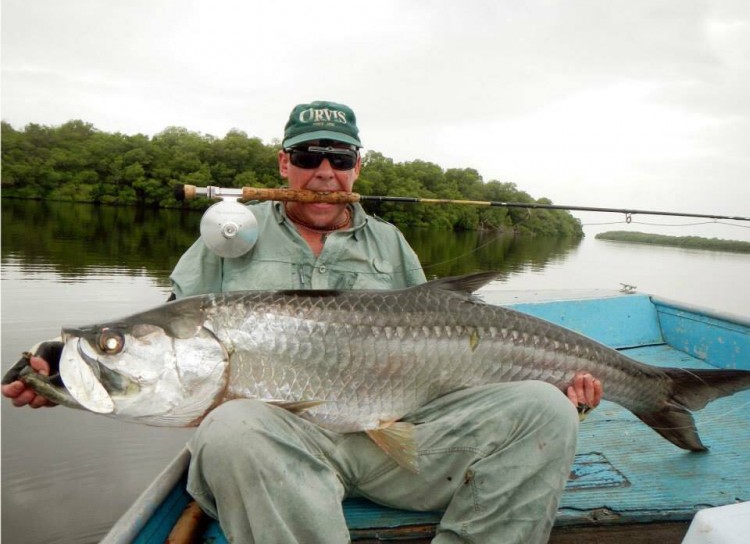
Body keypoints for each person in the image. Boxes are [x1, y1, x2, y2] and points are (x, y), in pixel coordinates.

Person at [2, 100, 603, 544]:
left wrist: (559, 391)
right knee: (235, 425)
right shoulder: (224, 244)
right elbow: (164, 364)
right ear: (283, 163)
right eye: (308, 156)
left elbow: (446, 361)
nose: (323, 170)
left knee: (544, 410)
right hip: (274, 455)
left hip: (395, 446)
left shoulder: (392, 248)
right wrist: (64, 382)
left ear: (357, 167)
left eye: (338, 158)